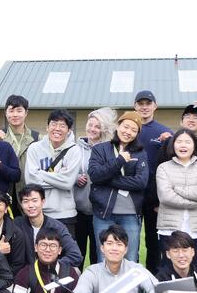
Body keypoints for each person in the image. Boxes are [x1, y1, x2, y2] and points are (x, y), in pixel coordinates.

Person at [88, 111, 148, 263]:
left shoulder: (140, 153)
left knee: (130, 257)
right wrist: (119, 160)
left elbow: (141, 182)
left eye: (134, 130)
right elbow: (95, 175)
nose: (128, 132)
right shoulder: (100, 149)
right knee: (104, 258)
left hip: (130, 213)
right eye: (126, 127)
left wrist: (107, 179)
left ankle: (130, 288)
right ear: (118, 126)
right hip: (103, 213)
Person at [155, 129, 197, 265]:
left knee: (196, 270)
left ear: (194, 145)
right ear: (173, 145)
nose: (183, 145)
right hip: (169, 228)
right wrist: (194, 203)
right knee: (169, 271)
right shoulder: (163, 168)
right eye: (179, 141)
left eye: (188, 142)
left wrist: (177, 188)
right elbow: (165, 196)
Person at [25, 109, 81, 243]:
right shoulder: (35, 148)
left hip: (65, 214)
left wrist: (40, 173)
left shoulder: (74, 151)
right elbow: (31, 182)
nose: (57, 129)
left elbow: (67, 182)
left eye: (62, 126)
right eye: (54, 124)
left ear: (68, 130)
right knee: (39, 255)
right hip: (39, 213)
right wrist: (59, 177)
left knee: (66, 256)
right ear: (47, 127)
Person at [133, 90, 173, 273]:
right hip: (130, 196)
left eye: (148, 103)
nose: (144, 107)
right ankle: (131, 280)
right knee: (129, 241)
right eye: (140, 104)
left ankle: (153, 281)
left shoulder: (164, 132)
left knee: (153, 243)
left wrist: (170, 142)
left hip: (154, 198)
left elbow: (176, 159)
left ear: (155, 106)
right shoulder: (129, 130)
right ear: (135, 106)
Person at [72, 107, 117, 267]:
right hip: (78, 209)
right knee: (77, 253)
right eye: (90, 124)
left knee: (98, 254)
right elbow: (66, 172)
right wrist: (75, 178)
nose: (92, 129)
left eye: (97, 126)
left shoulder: (110, 149)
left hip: (101, 210)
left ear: (104, 129)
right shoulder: (75, 148)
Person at [10, 185, 82, 274]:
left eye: (34, 200)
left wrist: (50, 265)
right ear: (21, 204)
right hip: (26, 274)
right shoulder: (16, 224)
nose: (30, 205)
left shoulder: (57, 227)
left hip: (52, 272)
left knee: (76, 271)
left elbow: (75, 255)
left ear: (43, 202)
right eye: (26, 201)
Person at [0, 94, 39, 213]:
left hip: (29, 191)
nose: (15, 115)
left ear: (26, 113)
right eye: (11, 110)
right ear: (6, 113)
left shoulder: (37, 138)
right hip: (4, 190)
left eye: (19, 110)